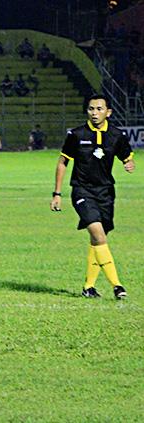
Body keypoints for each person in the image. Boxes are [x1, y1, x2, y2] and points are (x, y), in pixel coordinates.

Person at [51, 94, 135, 299]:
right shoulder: (76, 134)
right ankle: (117, 285)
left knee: (98, 239)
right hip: (82, 190)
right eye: (91, 109)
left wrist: (128, 164)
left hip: (105, 192)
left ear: (108, 112)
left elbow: (127, 157)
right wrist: (57, 193)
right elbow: (63, 162)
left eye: (99, 109)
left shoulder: (117, 135)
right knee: (98, 234)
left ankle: (88, 287)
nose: (94, 113)